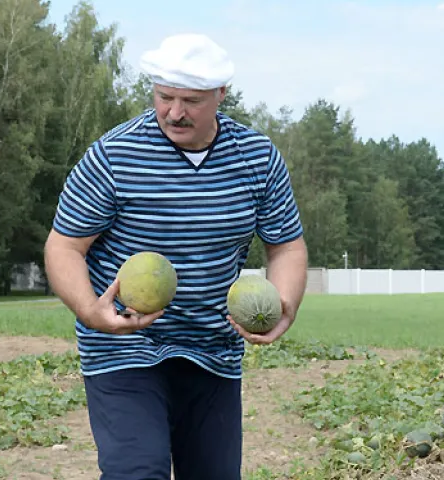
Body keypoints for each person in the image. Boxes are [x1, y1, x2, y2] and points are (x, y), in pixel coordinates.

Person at [43, 32, 308, 480]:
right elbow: (64, 246)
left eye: (191, 100)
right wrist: (91, 311)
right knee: (137, 471)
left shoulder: (258, 158)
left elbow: (287, 246)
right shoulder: (114, 155)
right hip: (122, 345)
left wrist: (285, 305)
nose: (174, 112)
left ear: (222, 94)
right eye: (165, 97)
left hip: (212, 349)